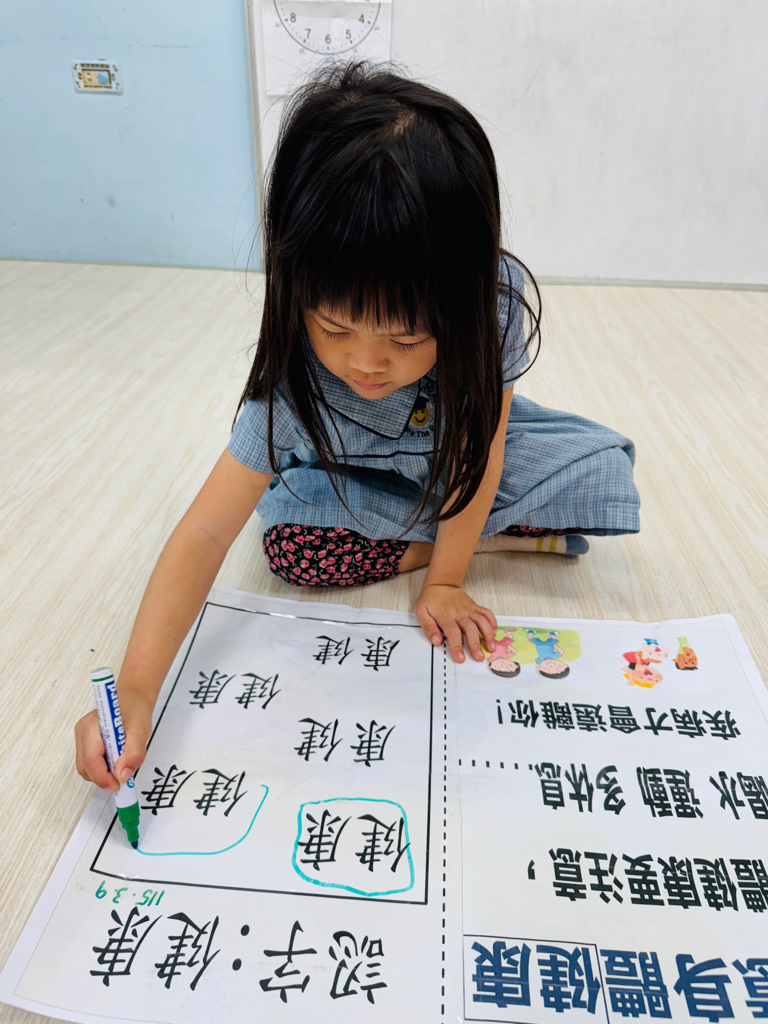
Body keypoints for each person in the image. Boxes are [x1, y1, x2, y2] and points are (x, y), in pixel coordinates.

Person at [75, 61, 639, 792]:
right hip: (351, 483)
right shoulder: (291, 389)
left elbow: (481, 456)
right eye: (335, 328)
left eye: (406, 339)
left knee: (599, 472)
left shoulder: (488, 310)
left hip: (455, 466)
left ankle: (470, 539)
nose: (367, 363)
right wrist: (138, 687)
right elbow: (206, 531)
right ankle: (498, 537)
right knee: (293, 549)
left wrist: (446, 581)